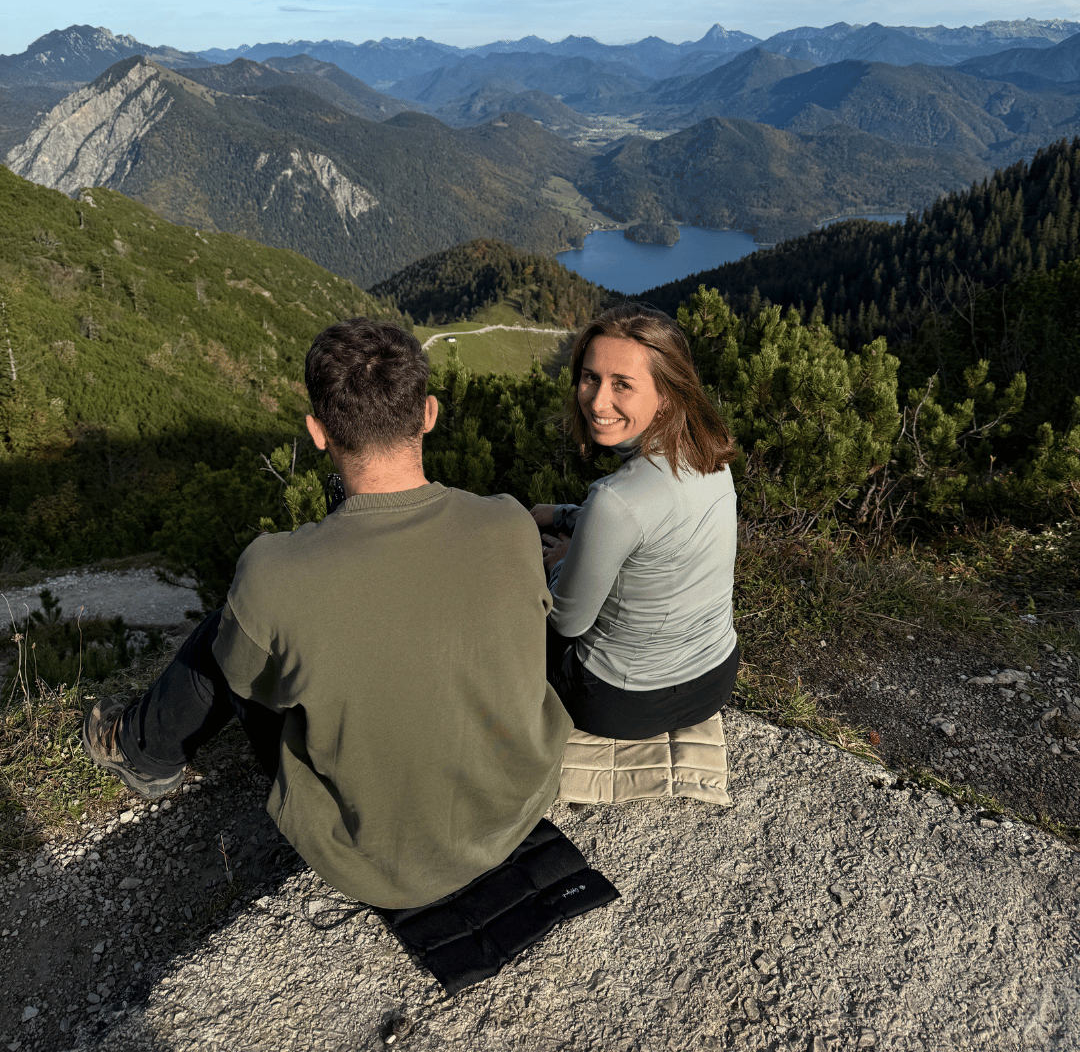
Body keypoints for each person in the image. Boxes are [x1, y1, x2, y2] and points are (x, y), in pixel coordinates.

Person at [82, 318, 572, 910]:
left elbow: (245, 682)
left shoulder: (273, 572)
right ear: (429, 414)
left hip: (386, 864)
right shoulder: (509, 520)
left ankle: (141, 750)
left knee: (231, 631)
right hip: (521, 803)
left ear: (317, 432)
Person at [531, 303, 739, 741]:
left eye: (622, 384)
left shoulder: (616, 500)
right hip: (715, 677)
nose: (596, 400)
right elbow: (652, 528)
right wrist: (568, 517)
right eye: (590, 377)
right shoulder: (710, 455)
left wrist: (559, 562)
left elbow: (566, 621)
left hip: (619, 701)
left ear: (667, 395)